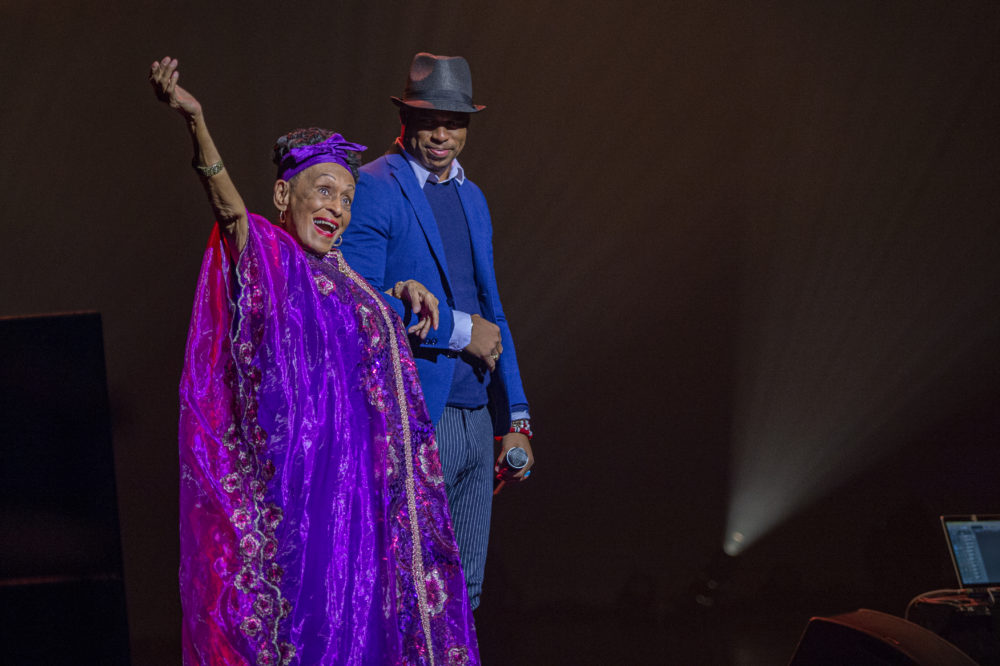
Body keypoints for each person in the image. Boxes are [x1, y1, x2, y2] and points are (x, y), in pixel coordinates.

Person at [150, 56, 479, 665]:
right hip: (301, 495)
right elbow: (227, 210)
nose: (337, 209)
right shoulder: (270, 255)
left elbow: (352, 330)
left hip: (361, 492)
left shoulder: (342, 275)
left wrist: (401, 291)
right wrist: (196, 123)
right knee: (312, 631)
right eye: (323, 191)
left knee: (363, 626)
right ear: (283, 194)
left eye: (347, 198)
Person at [340, 53, 534, 612]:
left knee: (465, 596)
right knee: (412, 588)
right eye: (430, 121)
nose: (443, 133)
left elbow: (492, 311)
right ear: (407, 118)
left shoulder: (472, 197)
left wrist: (515, 419)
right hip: (422, 413)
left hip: (477, 420)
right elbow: (358, 304)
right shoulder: (374, 186)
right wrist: (454, 331)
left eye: (455, 121)